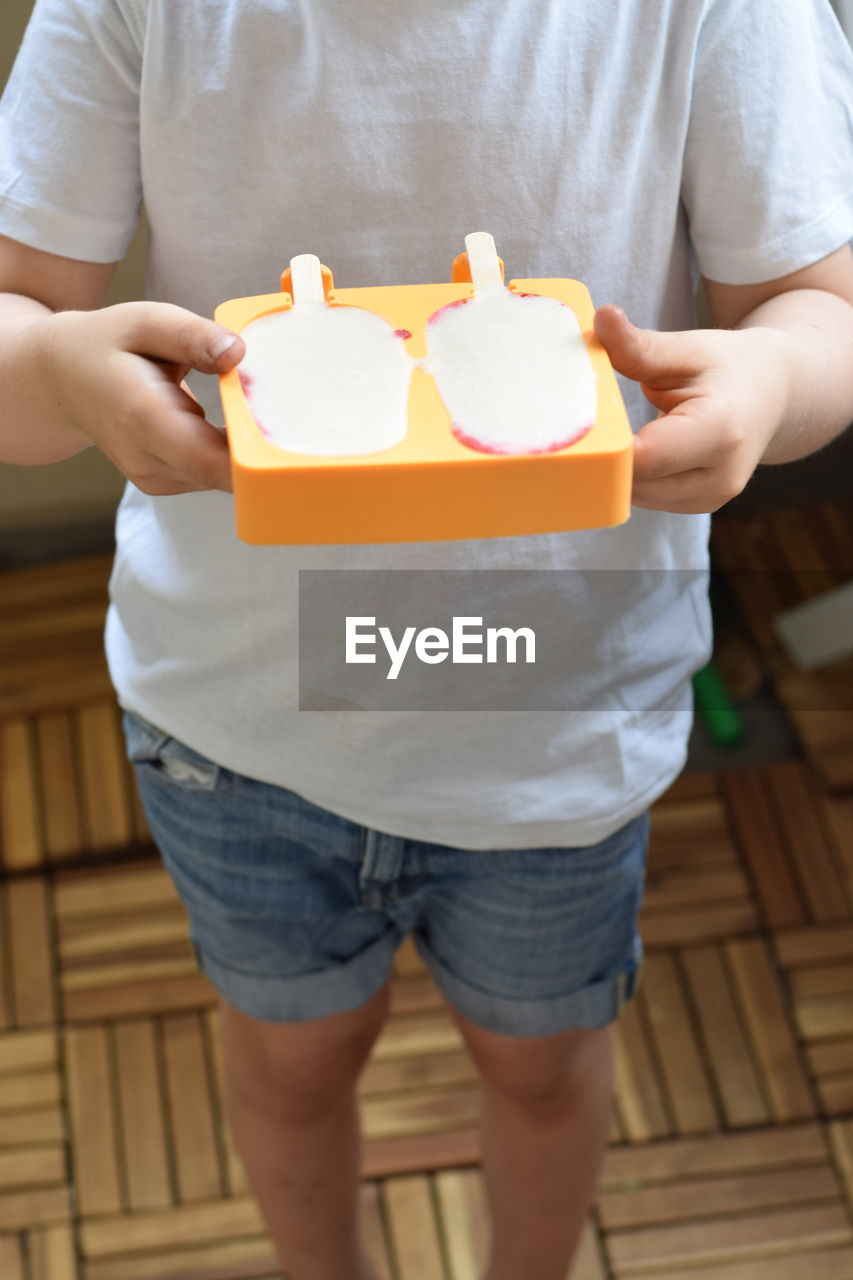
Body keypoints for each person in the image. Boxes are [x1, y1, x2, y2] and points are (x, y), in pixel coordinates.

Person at [1, 2, 852, 1277]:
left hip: (557, 728)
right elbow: (19, 317)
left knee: (544, 1067)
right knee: (292, 1063)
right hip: (237, 733)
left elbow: (813, 301)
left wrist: (773, 380)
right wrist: (60, 366)